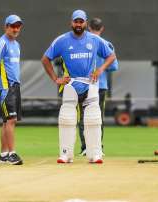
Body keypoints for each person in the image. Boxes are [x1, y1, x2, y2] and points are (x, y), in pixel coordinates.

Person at [41, 10, 116, 164]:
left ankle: (95, 154)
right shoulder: (62, 41)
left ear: (86, 23)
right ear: (71, 23)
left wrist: (101, 70)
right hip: (71, 84)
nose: (78, 25)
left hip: (90, 84)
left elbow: (111, 56)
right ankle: (65, 154)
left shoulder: (94, 40)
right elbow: (45, 59)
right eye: (76, 22)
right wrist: (56, 78)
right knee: (67, 119)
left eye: (81, 22)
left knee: (93, 119)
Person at [78, 17, 119, 156]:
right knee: (98, 116)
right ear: (102, 28)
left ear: (88, 27)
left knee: (83, 116)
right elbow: (114, 66)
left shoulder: (82, 42)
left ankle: (85, 147)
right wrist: (101, 68)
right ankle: (98, 147)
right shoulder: (107, 44)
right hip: (100, 85)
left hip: (83, 84)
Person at [0, 15, 24, 165]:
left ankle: (3, 155)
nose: (15, 29)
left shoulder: (16, 44)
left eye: (18, 26)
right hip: (5, 86)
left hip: (14, 85)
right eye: (12, 26)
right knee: (11, 119)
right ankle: (12, 154)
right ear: (6, 27)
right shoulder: (1, 43)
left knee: (6, 121)